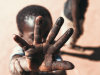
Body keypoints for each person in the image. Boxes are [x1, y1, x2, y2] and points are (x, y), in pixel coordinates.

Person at [9, 5, 74, 75]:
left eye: (47, 34)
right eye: (33, 37)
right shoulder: (20, 49)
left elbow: (61, 72)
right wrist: (26, 65)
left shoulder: (51, 46)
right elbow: (14, 65)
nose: (43, 40)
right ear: (21, 36)